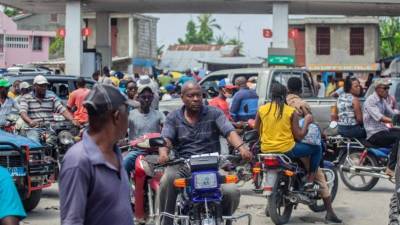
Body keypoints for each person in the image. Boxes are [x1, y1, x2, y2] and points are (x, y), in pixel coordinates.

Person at [158, 81, 252, 225]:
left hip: (212, 165)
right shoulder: (173, 117)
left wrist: (242, 148)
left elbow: (229, 132)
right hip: (183, 165)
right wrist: (164, 153)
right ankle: (166, 221)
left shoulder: (214, 113)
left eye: (198, 95)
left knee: (231, 191)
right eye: (191, 96)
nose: (195, 99)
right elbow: (166, 139)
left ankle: (224, 220)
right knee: (167, 179)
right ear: (182, 97)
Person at [60, 84, 135, 225]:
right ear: (117, 116)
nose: (128, 119)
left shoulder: (115, 152)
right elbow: (72, 221)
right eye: (128, 112)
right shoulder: (78, 161)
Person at [285, 77, 342, 223]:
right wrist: (322, 132)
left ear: (287, 89)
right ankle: (329, 212)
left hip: (279, 144)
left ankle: (271, 205)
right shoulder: (301, 104)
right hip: (297, 143)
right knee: (320, 175)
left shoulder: (280, 103)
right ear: (300, 90)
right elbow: (310, 124)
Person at [255, 83, 321, 186]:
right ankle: (310, 179)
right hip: (286, 149)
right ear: (285, 95)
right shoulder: (290, 111)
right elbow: (299, 135)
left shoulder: (262, 109)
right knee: (317, 148)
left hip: (266, 149)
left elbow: (256, 131)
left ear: (271, 95)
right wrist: (307, 121)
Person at [19, 75, 80, 143]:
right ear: (34, 86)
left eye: (45, 86)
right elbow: (23, 113)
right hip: (34, 129)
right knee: (34, 142)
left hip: (49, 128)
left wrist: (72, 119)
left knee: (65, 141)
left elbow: (62, 110)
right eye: (41, 86)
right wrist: (30, 121)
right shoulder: (26, 98)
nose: (44, 88)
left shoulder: (51, 97)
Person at [123, 84, 165, 176]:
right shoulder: (131, 115)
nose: (146, 99)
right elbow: (122, 131)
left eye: (149, 97)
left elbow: (167, 130)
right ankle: (125, 189)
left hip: (156, 151)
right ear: (138, 98)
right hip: (136, 151)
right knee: (124, 165)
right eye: (144, 97)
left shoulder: (159, 115)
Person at [363, 79, 400, 177]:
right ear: (377, 89)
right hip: (374, 134)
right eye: (385, 88)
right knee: (398, 137)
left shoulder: (382, 100)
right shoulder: (370, 101)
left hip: (383, 130)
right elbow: (380, 118)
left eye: (388, 88)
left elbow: (392, 113)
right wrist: (393, 120)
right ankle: (391, 167)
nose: (387, 90)